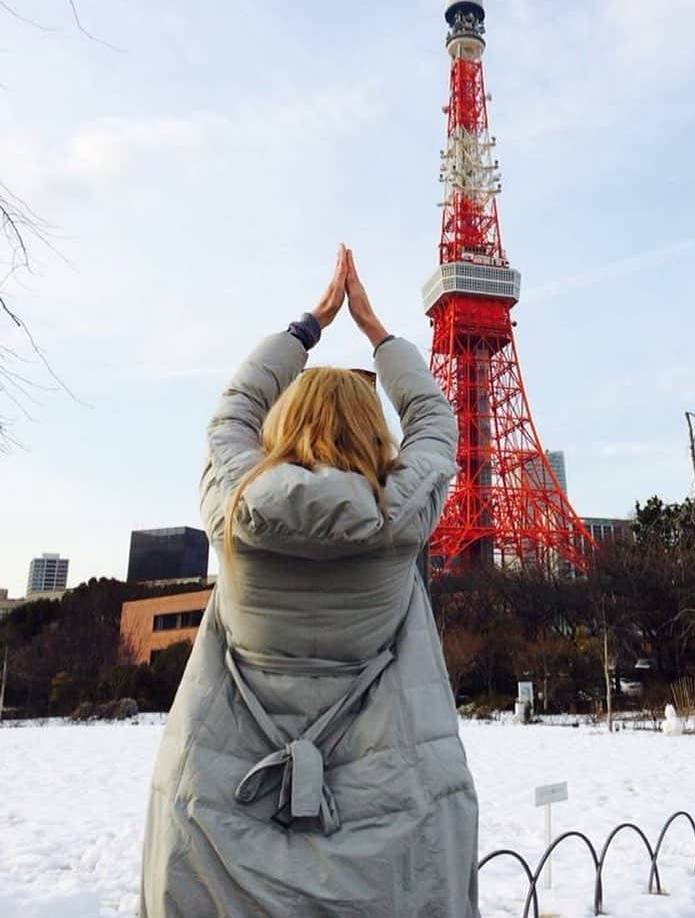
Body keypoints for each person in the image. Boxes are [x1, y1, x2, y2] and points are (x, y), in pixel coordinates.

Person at [140, 245, 481, 917]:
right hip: (383, 842)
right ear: (372, 434)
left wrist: (308, 325)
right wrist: (378, 332)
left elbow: (233, 412)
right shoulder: (399, 519)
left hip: (222, 832)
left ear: (283, 426)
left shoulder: (235, 510)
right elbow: (438, 423)